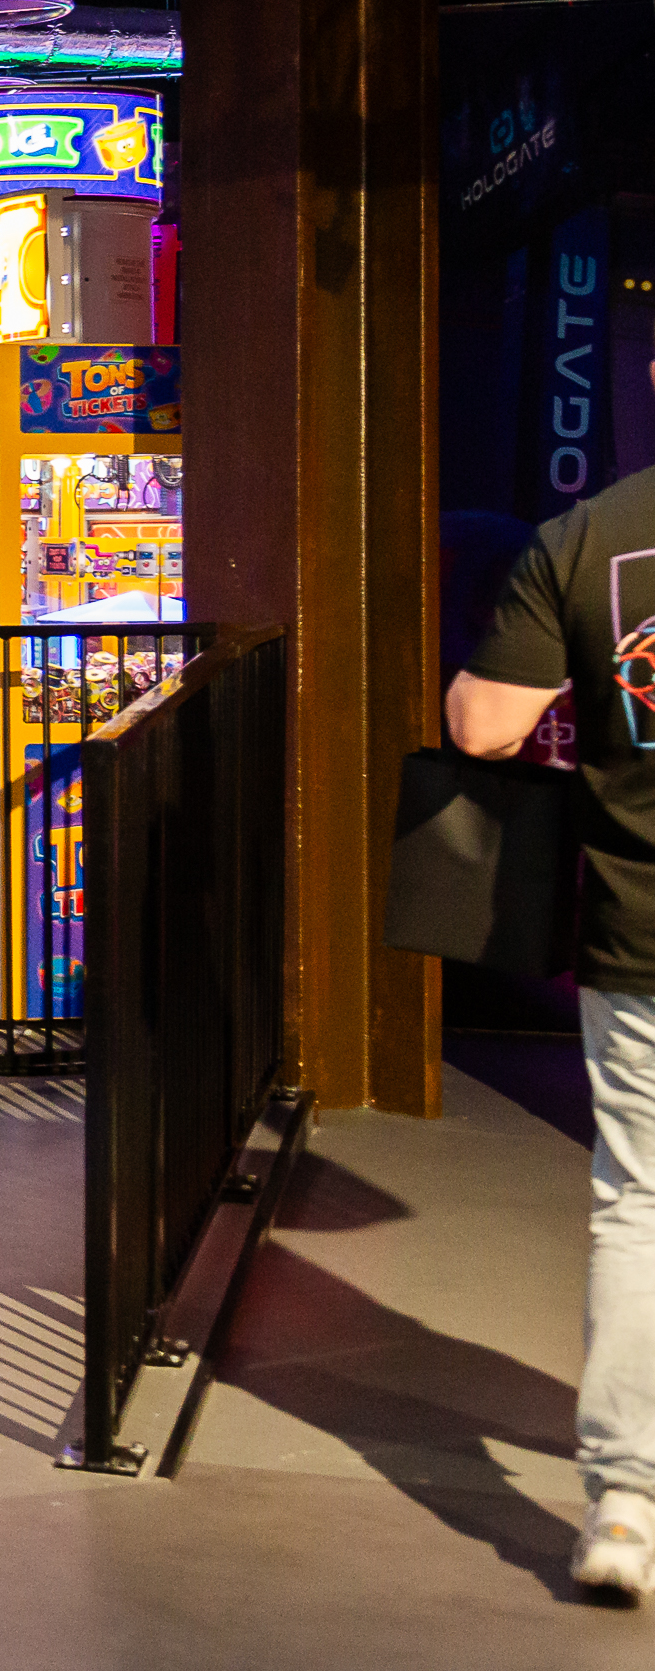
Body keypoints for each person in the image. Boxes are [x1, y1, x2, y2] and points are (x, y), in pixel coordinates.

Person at [444, 408, 655, 1597]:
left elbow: (485, 724)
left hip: (641, 940)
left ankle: (627, 1505)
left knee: (640, 1206)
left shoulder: (587, 541)